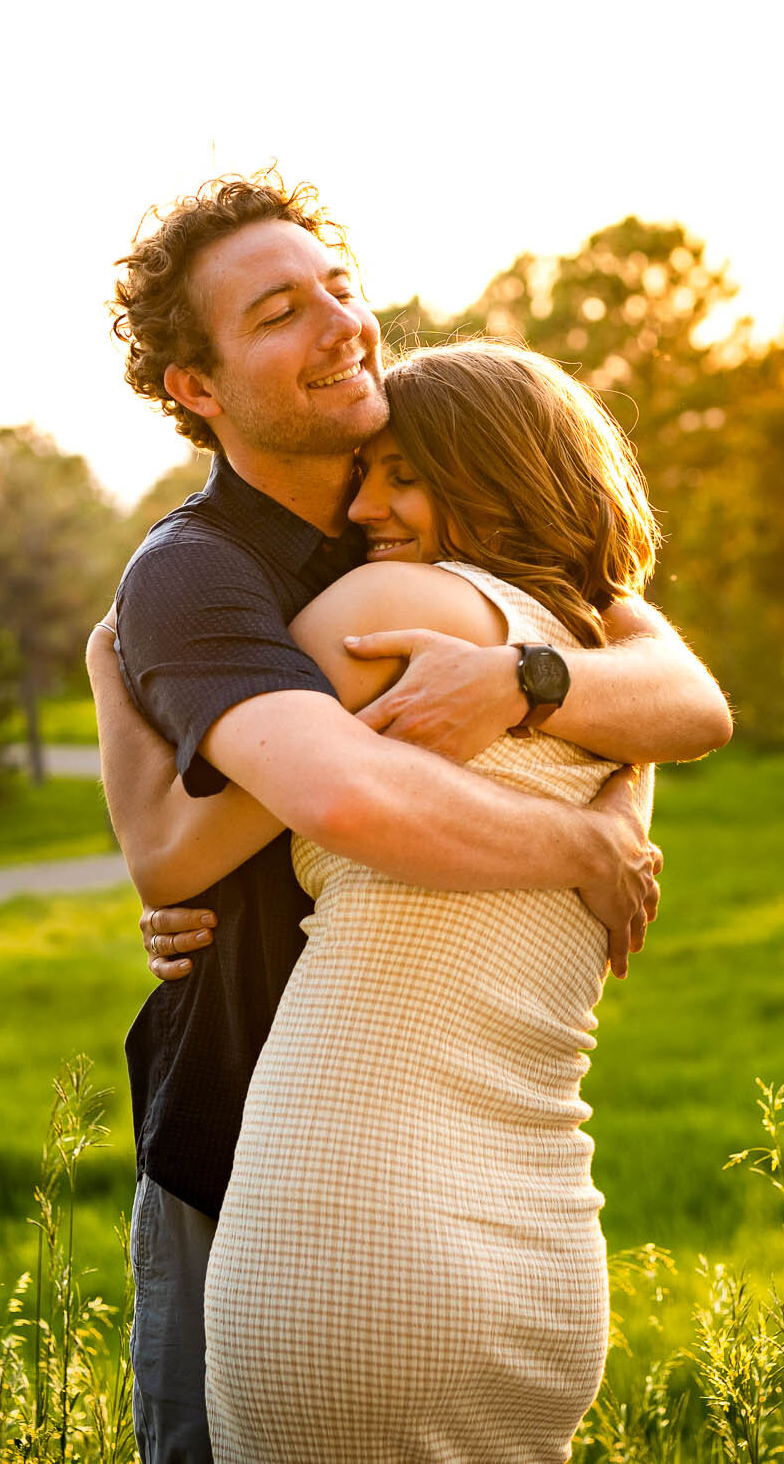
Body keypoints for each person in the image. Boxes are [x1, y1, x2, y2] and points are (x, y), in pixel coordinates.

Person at [95, 172, 731, 1463]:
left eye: (340, 285)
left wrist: (523, 680)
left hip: (431, 1146)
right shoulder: (199, 572)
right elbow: (296, 810)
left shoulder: (433, 577)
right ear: (194, 387)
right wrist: (582, 841)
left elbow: (693, 693)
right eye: (280, 309)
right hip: (243, 1135)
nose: (340, 319)